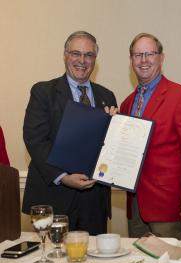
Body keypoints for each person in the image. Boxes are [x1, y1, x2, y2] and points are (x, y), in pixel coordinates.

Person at [22, 31, 117, 235]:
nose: (82, 60)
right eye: (76, 53)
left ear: (95, 60)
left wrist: (116, 127)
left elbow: (110, 148)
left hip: (94, 203)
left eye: (89, 55)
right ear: (65, 55)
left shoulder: (106, 96)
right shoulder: (43, 92)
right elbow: (35, 140)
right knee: (53, 262)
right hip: (53, 197)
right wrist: (63, 176)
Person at [120, 33, 181, 239]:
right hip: (135, 204)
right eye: (137, 55)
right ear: (131, 60)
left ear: (161, 57)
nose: (143, 60)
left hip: (166, 202)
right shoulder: (127, 103)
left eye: (149, 54)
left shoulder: (180, 96)